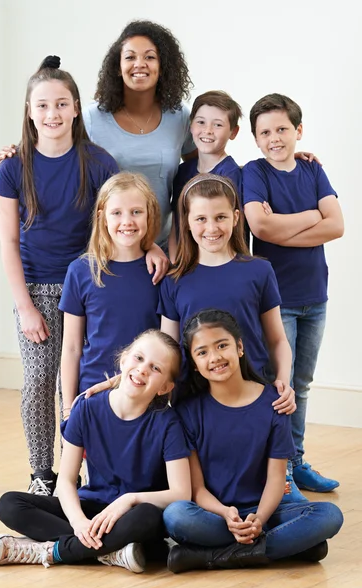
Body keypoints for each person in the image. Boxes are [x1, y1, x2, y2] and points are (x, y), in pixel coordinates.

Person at [0, 56, 119, 496]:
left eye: (61, 104)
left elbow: (118, 222)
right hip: (36, 289)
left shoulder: (99, 162)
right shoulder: (11, 168)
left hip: (89, 284)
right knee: (39, 381)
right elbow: (8, 243)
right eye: (43, 105)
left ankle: (83, 471)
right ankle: (42, 472)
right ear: (30, 111)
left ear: (76, 108)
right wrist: (25, 306)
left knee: (84, 382)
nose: (53, 114)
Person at [0, 330, 191, 573]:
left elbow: (181, 493)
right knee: (9, 504)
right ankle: (110, 553)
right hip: (92, 508)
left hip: (133, 516)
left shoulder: (168, 423)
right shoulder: (86, 408)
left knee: (147, 517)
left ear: (165, 387)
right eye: (138, 358)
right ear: (123, 359)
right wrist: (78, 522)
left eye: (156, 368)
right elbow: (66, 481)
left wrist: (130, 498)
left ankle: (53, 551)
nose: (143, 369)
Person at [163, 309, 344, 574]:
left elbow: (276, 479)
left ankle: (213, 557)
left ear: (239, 347)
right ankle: (281, 548)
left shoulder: (274, 403)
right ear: (193, 363)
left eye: (222, 345)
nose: (214, 358)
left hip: (267, 513)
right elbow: (197, 489)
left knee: (330, 515)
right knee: (175, 515)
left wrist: (259, 519)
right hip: (217, 516)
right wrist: (226, 514)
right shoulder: (187, 412)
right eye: (202, 352)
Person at [242, 93, 344, 498]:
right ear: (255, 138)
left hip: (314, 295)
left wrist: (284, 224)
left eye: (282, 129)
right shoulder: (254, 173)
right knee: (276, 385)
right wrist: (310, 217)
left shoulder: (312, 171)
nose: (275, 138)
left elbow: (336, 226)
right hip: (274, 300)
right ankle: (275, 469)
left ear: (298, 131)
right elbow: (261, 229)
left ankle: (296, 462)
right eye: (265, 132)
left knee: (301, 383)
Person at [158, 173, 295, 422]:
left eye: (220, 217)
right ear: (186, 222)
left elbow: (277, 340)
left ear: (235, 218)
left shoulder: (259, 271)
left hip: (253, 393)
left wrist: (284, 381)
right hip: (192, 401)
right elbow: (168, 348)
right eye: (201, 219)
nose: (211, 228)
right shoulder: (173, 280)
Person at [82, 20, 197, 249]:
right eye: (130, 57)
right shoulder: (91, 118)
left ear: (162, 66)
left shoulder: (180, 116)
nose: (140, 64)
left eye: (150, 57)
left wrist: (277, 161)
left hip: (164, 248)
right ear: (118, 66)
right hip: (108, 249)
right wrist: (15, 154)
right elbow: (54, 154)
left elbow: (202, 167)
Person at [59, 172, 162, 415]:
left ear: (150, 215)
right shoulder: (80, 271)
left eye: (136, 212)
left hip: (146, 394)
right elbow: (72, 347)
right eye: (117, 213)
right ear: (102, 217)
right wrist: (67, 407)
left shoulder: (160, 272)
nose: (127, 221)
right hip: (94, 393)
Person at [168, 90, 243, 260]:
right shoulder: (183, 171)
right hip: (184, 264)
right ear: (190, 126)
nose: (208, 130)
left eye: (218, 125)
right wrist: (174, 263)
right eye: (201, 122)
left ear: (233, 132)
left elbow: (233, 232)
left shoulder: (231, 175)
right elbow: (176, 225)